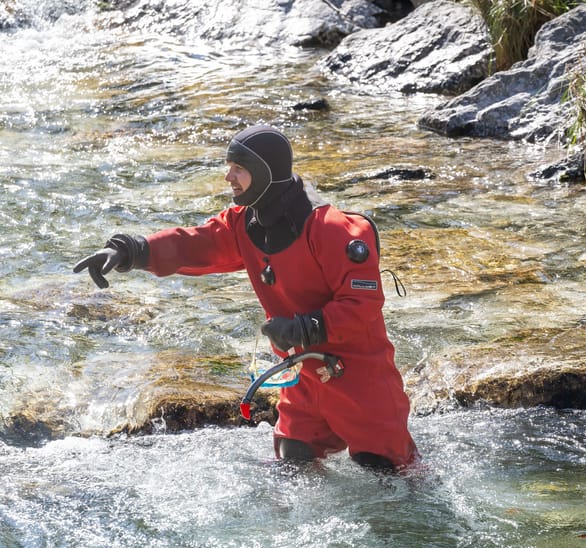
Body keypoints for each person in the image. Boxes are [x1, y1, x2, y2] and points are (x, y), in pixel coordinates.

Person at [74, 124, 419, 471]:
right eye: (229, 167)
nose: (228, 177)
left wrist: (304, 328)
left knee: (390, 475)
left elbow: (363, 304)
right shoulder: (245, 223)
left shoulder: (331, 229)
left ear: (265, 172)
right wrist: (131, 251)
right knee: (292, 462)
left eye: (238, 168)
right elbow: (194, 244)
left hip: (358, 377)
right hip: (302, 376)